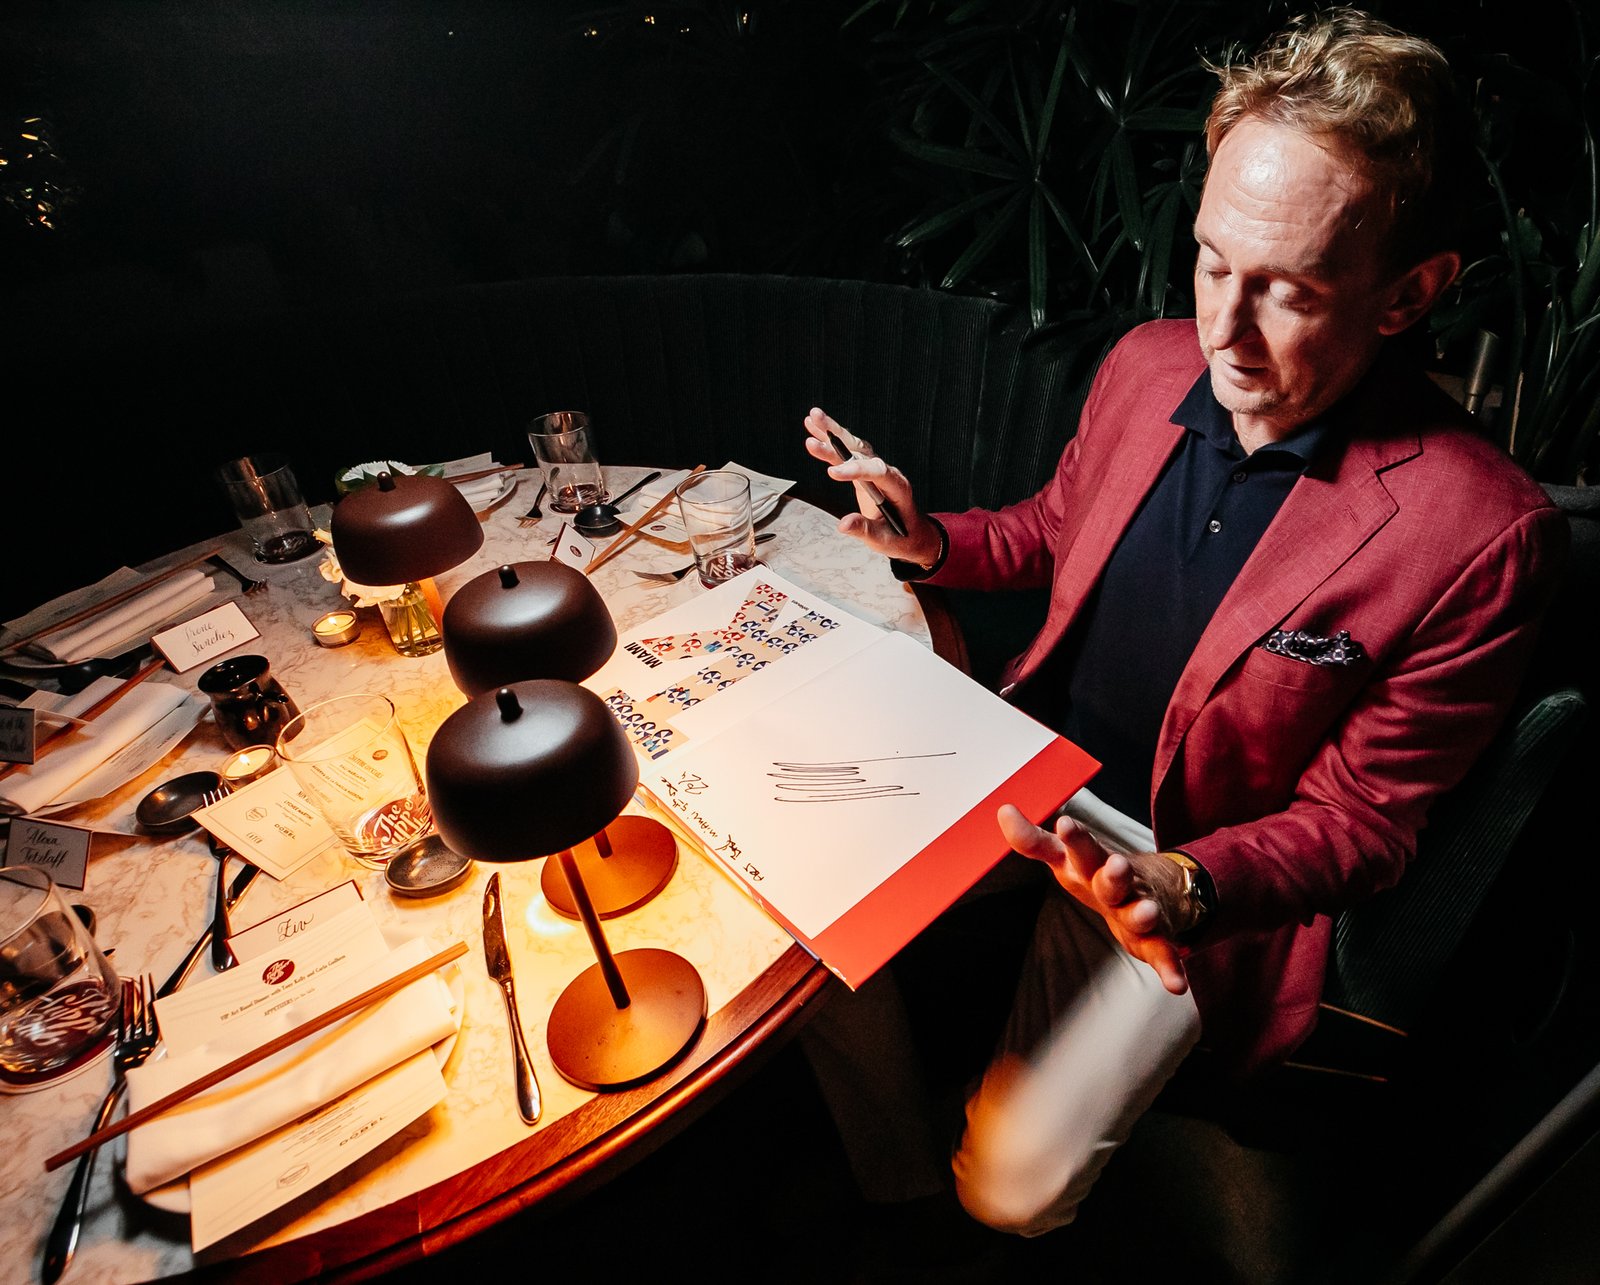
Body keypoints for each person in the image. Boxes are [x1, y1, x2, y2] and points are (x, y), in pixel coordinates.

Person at [799, 6, 1570, 1239]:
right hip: (1017, 761)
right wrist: (930, 539)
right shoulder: (1149, 363)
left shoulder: (1482, 530)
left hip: (1179, 862)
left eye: (1289, 290)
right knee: (800, 925)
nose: (1223, 328)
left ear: (1408, 293)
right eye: (1213, 263)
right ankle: (890, 1193)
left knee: (1008, 1191)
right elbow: (1053, 526)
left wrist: (1180, 884)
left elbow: (1361, 825)